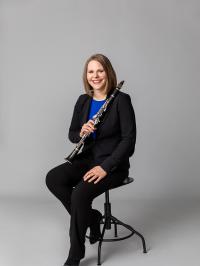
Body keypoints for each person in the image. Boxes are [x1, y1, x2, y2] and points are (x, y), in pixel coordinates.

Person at [45, 54, 136, 266]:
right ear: (86, 76)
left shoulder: (121, 100)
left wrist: (105, 167)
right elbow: (72, 134)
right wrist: (81, 132)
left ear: (108, 73)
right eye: (91, 71)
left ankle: (75, 254)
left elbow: (128, 141)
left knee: (79, 195)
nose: (95, 76)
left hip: (113, 165)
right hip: (87, 158)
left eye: (100, 70)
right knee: (53, 178)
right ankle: (92, 217)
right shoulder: (83, 100)